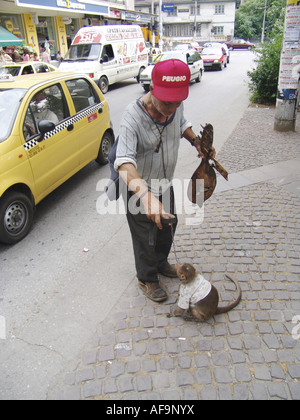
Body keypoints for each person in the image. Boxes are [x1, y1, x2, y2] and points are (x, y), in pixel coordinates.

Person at [114, 59, 215, 302]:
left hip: (164, 183)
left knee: (168, 223)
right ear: (152, 90)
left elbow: (181, 124)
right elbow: (124, 162)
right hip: (139, 187)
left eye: (177, 102)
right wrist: (147, 198)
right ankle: (147, 278)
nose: (171, 108)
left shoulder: (175, 106)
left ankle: (160, 263)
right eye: (166, 103)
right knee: (145, 235)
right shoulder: (132, 117)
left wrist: (195, 142)